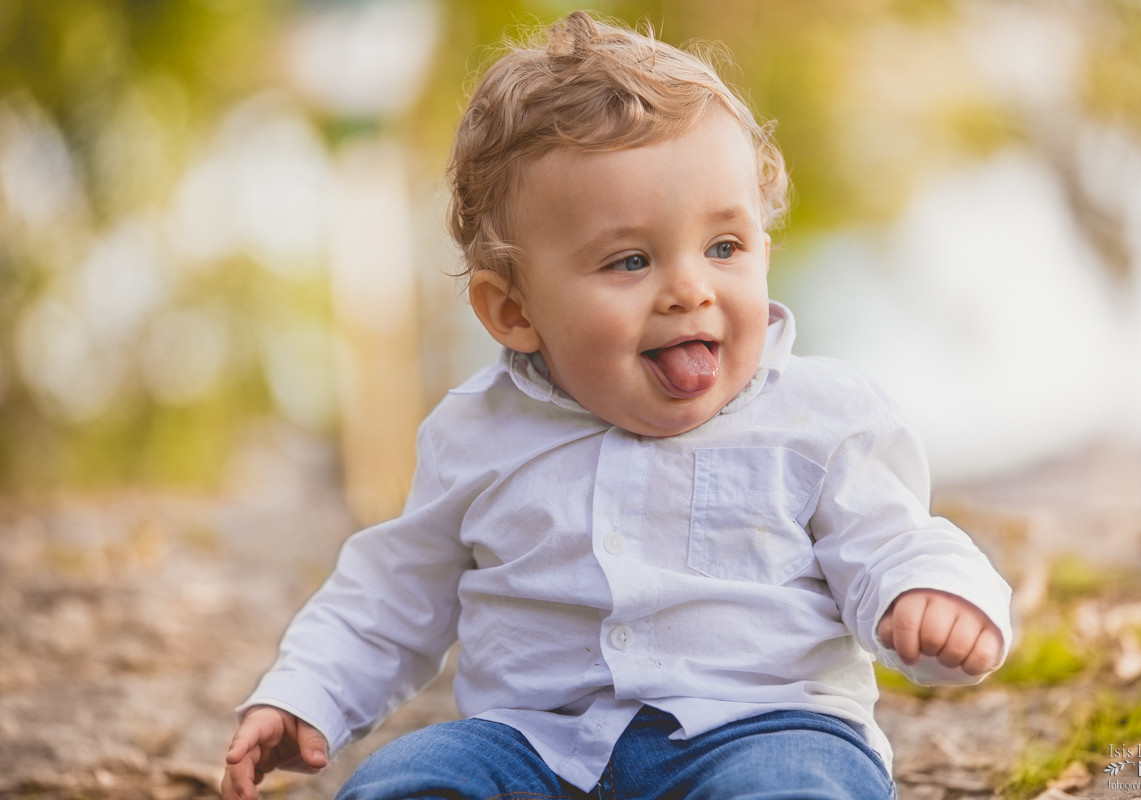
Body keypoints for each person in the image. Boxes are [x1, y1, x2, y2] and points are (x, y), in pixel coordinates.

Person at [222, 11, 1012, 800]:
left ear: (764, 250)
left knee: (800, 783)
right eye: (630, 260)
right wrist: (305, 694)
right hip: (537, 746)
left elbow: (892, 540)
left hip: (763, 726)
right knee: (413, 776)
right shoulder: (477, 434)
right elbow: (391, 594)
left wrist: (933, 598)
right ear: (514, 312)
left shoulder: (822, 418)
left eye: (725, 247)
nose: (691, 288)